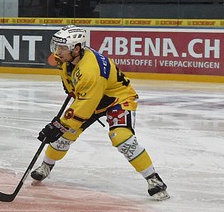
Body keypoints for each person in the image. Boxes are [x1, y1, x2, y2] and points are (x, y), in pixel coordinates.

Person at [32, 26, 169, 200]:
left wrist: (59, 125)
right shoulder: (66, 58)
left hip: (117, 99)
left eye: (62, 48)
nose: (57, 52)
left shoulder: (90, 71)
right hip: (93, 97)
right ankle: (46, 166)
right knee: (64, 135)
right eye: (57, 46)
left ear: (77, 48)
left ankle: (153, 179)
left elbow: (85, 106)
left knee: (122, 138)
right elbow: (73, 84)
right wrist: (71, 92)